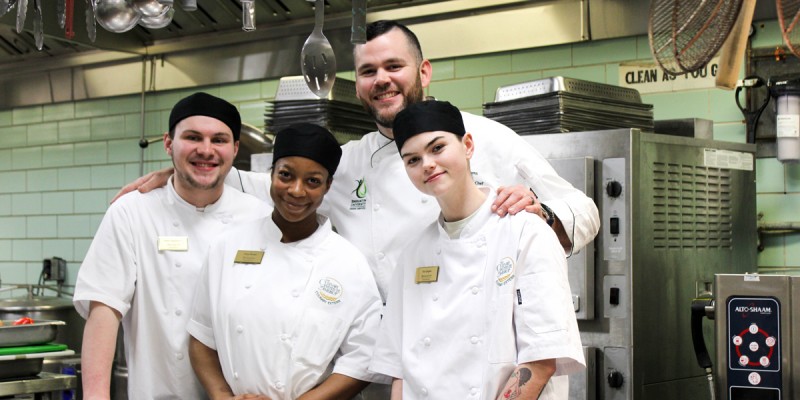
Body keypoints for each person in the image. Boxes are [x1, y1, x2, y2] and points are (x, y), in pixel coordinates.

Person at [115, 19, 600, 303]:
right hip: (381, 350)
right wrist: (189, 172)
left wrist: (546, 215)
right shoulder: (348, 161)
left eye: (394, 67)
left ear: (423, 71)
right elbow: (272, 187)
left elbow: (583, 207)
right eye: (368, 71)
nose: (381, 80)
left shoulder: (481, 136)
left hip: (475, 341)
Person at [369, 100, 584, 400]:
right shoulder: (413, 255)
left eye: (437, 148)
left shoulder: (525, 232)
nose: (427, 164)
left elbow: (538, 363)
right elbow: (399, 371)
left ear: (468, 145)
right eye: (412, 160)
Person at [73, 92, 270, 400]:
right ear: (168, 143)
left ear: (234, 149)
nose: (206, 150)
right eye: (193, 137)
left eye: (218, 140)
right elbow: (104, 309)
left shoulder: (259, 216)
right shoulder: (132, 213)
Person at [187, 123, 387, 399]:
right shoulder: (227, 247)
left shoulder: (347, 262)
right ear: (271, 174)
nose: (296, 190)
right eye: (285, 175)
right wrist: (221, 396)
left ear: (328, 186)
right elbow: (201, 336)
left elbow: (364, 356)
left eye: (313, 181)